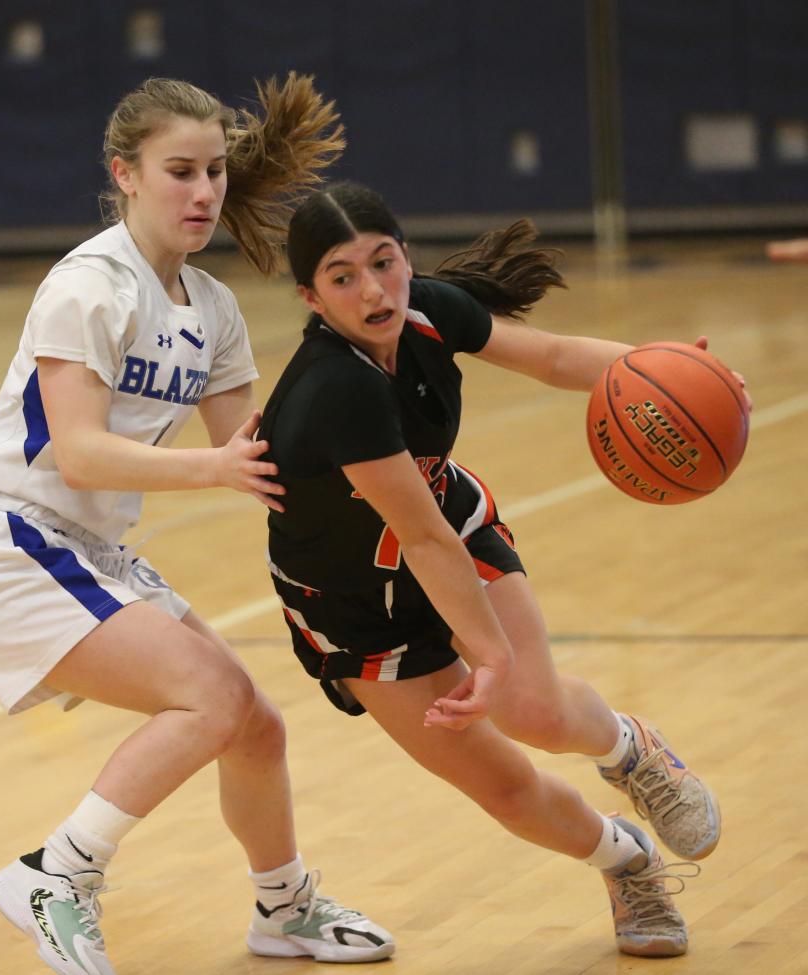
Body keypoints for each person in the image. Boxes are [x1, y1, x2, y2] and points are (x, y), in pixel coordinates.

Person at [0, 81, 395, 975]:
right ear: (126, 174)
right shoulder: (87, 287)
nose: (203, 193)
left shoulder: (213, 309)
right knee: (213, 699)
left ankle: (284, 909)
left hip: (86, 548)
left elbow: (259, 456)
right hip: (13, 542)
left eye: (216, 172)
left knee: (255, 723)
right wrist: (213, 469)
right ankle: (57, 874)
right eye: (179, 171)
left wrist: (383, 455)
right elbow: (78, 453)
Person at [259, 181, 751, 958]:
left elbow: (553, 356)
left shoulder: (429, 309)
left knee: (535, 709)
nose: (374, 288)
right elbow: (417, 540)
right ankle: (629, 861)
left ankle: (633, 751)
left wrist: (680, 372)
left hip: (446, 524)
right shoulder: (336, 390)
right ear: (311, 297)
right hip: (354, 604)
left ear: (406, 257)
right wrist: (483, 652)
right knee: (506, 791)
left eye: (383, 262)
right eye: (343, 276)